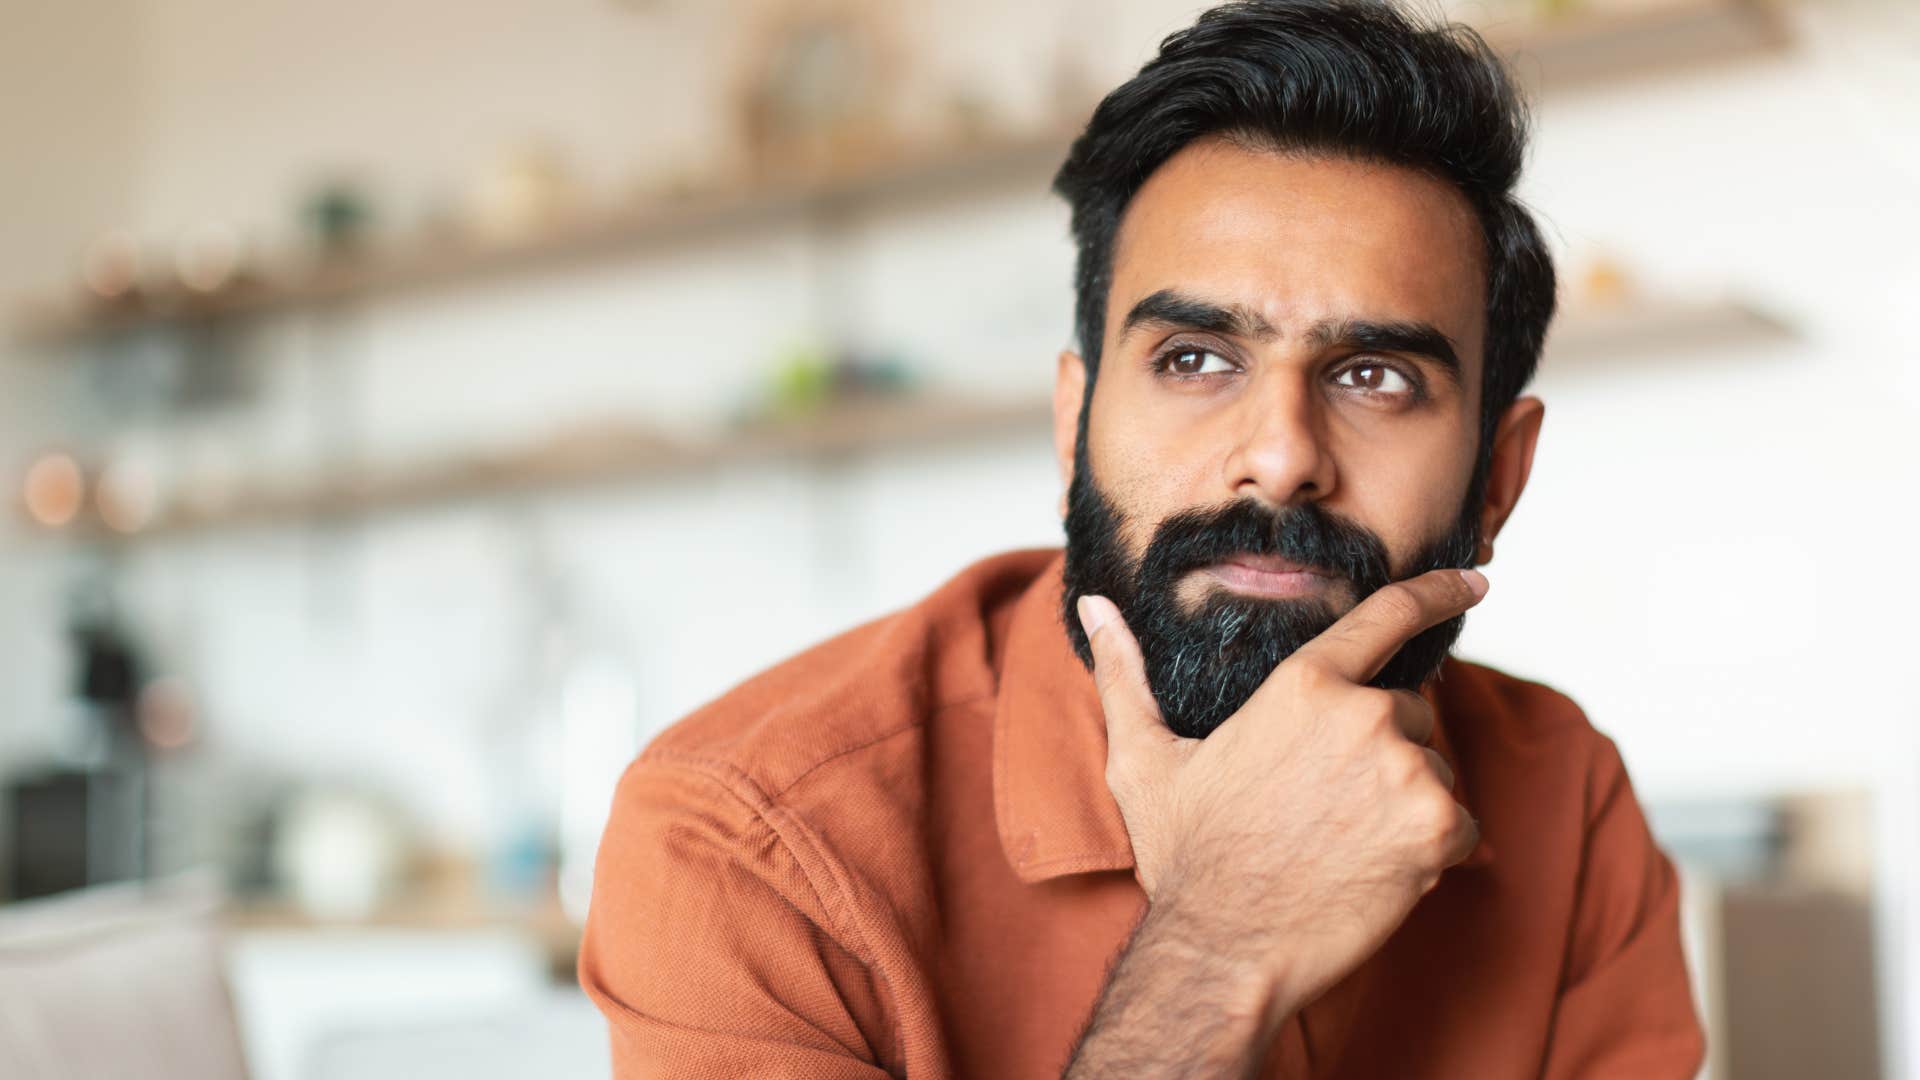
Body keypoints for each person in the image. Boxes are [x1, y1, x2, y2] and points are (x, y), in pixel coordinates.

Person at [578, 1, 1706, 1075]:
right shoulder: (745, 833)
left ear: (1499, 474)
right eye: (1196, 360)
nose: (1280, 455)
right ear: (1074, 425)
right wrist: (1219, 942)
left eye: (1375, 376)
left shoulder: (1561, 792)